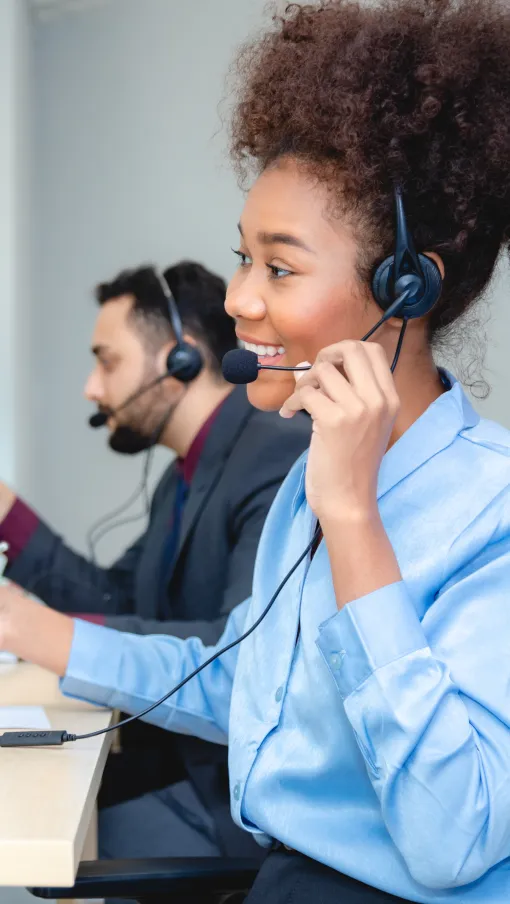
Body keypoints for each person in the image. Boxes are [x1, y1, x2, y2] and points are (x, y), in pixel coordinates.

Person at [3, 0, 510, 900]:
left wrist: (356, 526)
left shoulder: (490, 510)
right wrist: (38, 632)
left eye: (278, 268)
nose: (238, 299)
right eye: (243, 258)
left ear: (404, 290)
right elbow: (239, 676)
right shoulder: (304, 487)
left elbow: (452, 837)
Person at [0, 260, 311, 861]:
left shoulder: (274, 455)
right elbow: (115, 601)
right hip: (174, 759)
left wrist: (49, 634)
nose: (93, 387)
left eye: (107, 360)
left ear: (181, 360)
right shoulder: (184, 476)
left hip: (231, 798)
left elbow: (233, 651)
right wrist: (7, 513)